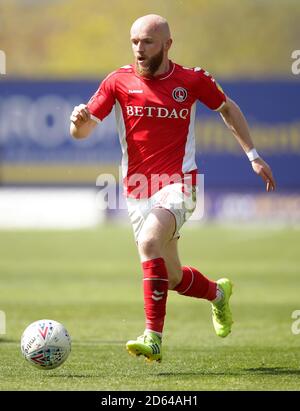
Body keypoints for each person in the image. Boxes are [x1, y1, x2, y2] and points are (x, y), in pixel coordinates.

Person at [70, 14, 276, 363]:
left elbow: (227, 109)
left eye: (147, 42)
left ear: (167, 44)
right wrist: (77, 123)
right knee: (171, 275)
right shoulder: (118, 81)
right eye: (134, 41)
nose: (139, 48)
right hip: (137, 188)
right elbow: (84, 130)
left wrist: (253, 155)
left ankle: (153, 338)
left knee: (150, 242)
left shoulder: (191, 80)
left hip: (181, 183)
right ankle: (217, 294)